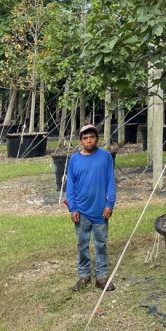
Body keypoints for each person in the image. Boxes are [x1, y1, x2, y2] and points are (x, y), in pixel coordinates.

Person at [66, 124, 117, 292]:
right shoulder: (74, 160)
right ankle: (84, 275)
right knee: (82, 244)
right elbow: (70, 186)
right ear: (81, 141)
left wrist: (109, 204)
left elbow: (110, 181)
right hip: (80, 211)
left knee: (101, 244)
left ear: (97, 138)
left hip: (101, 211)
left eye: (92, 137)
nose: (89, 141)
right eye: (85, 138)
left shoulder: (105, 157)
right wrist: (72, 208)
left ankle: (101, 277)